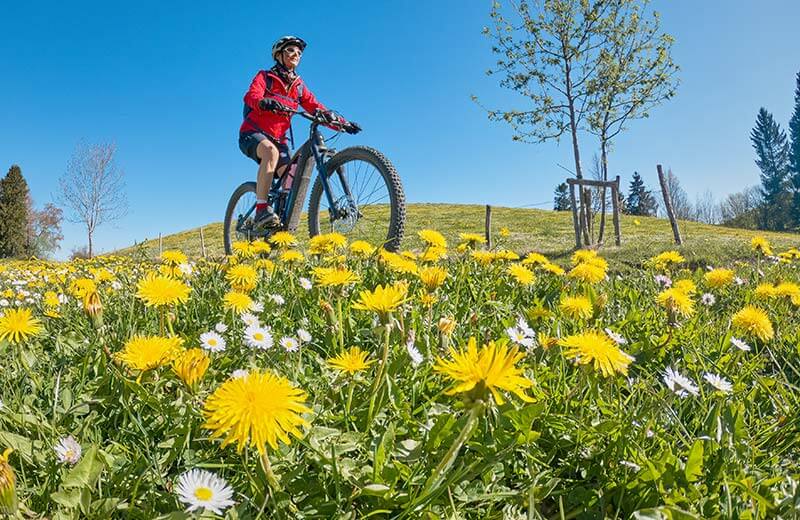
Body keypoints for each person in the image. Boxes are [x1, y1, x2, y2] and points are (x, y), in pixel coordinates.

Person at [239, 35, 360, 230]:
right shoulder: (265, 77)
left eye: (299, 52)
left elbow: (317, 108)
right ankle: (261, 209)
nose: (296, 54)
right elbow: (251, 95)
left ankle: (279, 226)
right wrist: (263, 101)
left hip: (279, 139)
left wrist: (343, 124)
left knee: (291, 178)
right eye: (290, 50)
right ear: (278, 55)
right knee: (271, 153)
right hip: (253, 133)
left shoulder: (299, 86)